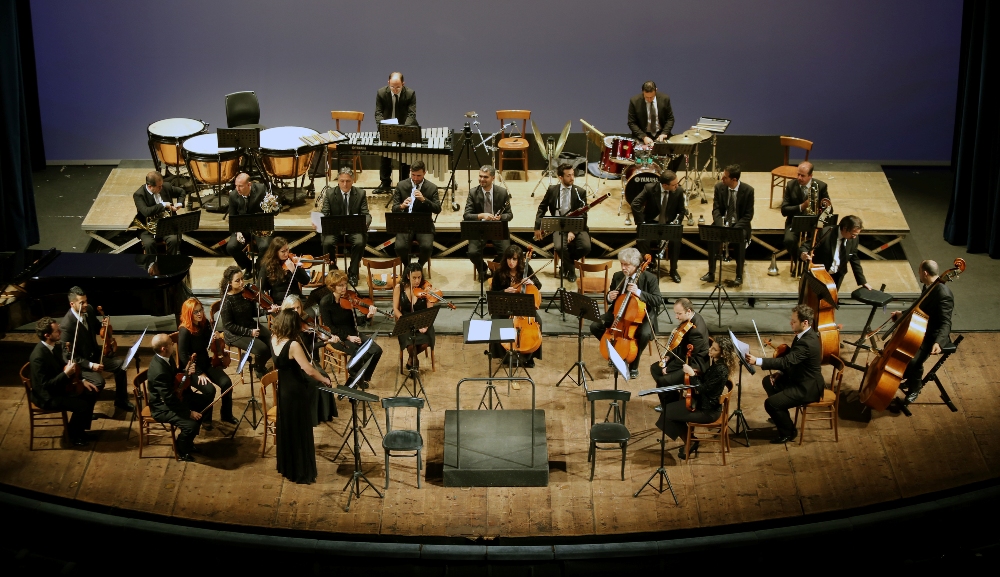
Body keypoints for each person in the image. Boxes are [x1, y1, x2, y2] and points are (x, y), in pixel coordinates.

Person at [745, 304, 824, 444]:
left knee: (771, 404)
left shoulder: (807, 342)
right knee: (767, 381)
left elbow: (786, 361)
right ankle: (781, 417)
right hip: (797, 378)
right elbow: (793, 361)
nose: (790, 323)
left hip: (807, 387)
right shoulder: (801, 336)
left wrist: (757, 360)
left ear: (805, 323)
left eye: (794, 321)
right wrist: (780, 373)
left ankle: (788, 432)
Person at [271, 309, 333, 484]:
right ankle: (301, 471)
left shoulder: (274, 337)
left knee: (289, 428)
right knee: (300, 431)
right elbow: (308, 370)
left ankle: (287, 466)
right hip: (296, 391)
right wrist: (325, 380)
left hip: (283, 389)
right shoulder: (293, 345)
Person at [657, 336, 738, 460]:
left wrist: (692, 374)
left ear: (722, 354)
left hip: (708, 411)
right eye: (711, 347)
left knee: (667, 415)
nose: (710, 350)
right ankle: (689, 441)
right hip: (703, 403)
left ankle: (690, 442)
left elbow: (703, 389)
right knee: (667, 411)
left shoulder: (721, 370)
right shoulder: (717, 363)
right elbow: (705, 382)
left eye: (714, 349)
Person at [590, 248, 662, 379]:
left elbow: (657, 300)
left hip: (642, 315)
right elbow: (612, 297)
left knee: (644, 334)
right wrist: (609, 297)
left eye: (626, 265)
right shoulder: (618, 276)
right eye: (622, 264)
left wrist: (639, 292)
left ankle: (634, 364)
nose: (623, 268)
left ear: (635, 265)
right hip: (619, 313)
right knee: (595, 326)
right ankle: (615, 352)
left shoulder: (649, 278)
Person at [59, 286, 133, 411]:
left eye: (86, 301)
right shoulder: (67, 326)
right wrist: (91, 365)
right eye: (81, 302)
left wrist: (103, 326)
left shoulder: (89, 310)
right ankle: (85, 410)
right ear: (72, 304)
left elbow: (95, 326)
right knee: (99, 381)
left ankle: (121, 400)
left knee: (120, 366)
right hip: (82, 365)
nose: (86, 305)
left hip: (95, 354)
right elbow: (68, 356)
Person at [29, 317, 99, 447]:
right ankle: (72, 436)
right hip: (47, 397)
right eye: (57, 331)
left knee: (91, 392)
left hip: (58, 387)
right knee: (82, 405)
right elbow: (46, 385)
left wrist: (81, 380)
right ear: (47, 335)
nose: (60, 332)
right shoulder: (38, 357)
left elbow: (62, 365)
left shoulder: (53, 347)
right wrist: (66, 374)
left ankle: (80, 431)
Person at [147, 333, 216, 461]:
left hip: (175, 397)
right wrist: (189, 413)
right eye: (170, 343)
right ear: (164, 348)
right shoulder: (159, 371)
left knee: (204, 402)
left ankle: (188, 443)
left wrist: (186, 372)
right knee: (191, 425)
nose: (173, 345)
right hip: (162, 407)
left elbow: (174, 376)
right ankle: (181, 450)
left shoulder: (167, 358)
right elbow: (169, 399)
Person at [895, 260, 954, 402]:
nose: (918, 274)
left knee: (914, 361)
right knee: (898, 351)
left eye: (919, 271)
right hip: (920, 328)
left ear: (925, 273)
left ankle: (915, 389)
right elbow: (920, 308)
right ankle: (909, 378)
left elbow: (946, 322)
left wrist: (938, 342)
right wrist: (902, 314)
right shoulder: (928, 286)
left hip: (932, 335)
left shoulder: (943, 294)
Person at [177, 297, 236, 428]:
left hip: (206, 363)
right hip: (191, 370)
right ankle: (205, 418)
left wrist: (215, 337)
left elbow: (208, 345)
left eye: (201, 310)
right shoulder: (184, 330)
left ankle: (226, 414)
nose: (199, 314)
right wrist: (199, 373)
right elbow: (182, 355)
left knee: (227, 383)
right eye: (195, 312)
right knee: (210, 390)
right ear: (189, 313)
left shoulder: (204, 324)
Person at [318, 270, 384, 386]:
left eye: (345, 284)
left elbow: (354, 321)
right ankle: (354, 373)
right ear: (332, 287)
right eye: (340, 285)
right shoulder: (326, 303)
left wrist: (367, 317)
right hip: (337, 337)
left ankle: (363, 377)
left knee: (376, 350)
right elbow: (330, 328)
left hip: (352, 332)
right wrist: (348, 337)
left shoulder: (349, 298)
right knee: (358, 351)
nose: (344, 288)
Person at [282, 294, 339, 423]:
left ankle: (324, 414)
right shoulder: (286, 328)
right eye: (293, 309)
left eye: (298, 308)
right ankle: (312, 417)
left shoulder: (305, 323)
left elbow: (310, 346)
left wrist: (325, 339)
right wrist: (324, 343)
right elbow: (304, 349)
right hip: (296, 363)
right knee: (317, 380)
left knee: (325, 376)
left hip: (307, 358)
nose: (296, 311)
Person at [533, 163, 592, 282]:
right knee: (559, 247)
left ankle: (565, 265)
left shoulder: (580, 192)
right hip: (558, 225)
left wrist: (572, 231)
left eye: (573, 175)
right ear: (560, 177)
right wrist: (537, 226)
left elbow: (583, 214)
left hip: (577, 225)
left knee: (586, 247)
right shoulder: (552, 190)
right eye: (568, 176)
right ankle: (570, 269)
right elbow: (542, 208)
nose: (572, 178)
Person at [490, 245, 543, 367]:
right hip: (505, 305)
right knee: (496, 320)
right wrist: (504, 292)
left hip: (524, 306)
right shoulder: (499, 272)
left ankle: (528, 356)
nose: (511, 262)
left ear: (519, 260)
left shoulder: (526, 268)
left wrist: (532, 282)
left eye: (514, 259)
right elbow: (493, 293)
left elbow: (538, 285)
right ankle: (503, 355)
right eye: (509, 259)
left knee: (538, 322)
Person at [318, 167, 371, 286]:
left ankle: (353, 272)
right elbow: (324, 213)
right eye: (342, 181)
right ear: (338, 181)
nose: (345, 184)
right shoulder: (330, 193)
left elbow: (366, 214)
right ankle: (333, 271)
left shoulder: (360, 193)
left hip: (353, 228)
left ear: (353, 181)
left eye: (347, 181)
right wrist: (318, 221)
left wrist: (365, 223)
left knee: (359, 242)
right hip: (335, 228)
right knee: (327, 243)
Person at [703, 164, 754, 286]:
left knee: (740, 239)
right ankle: (711, 273)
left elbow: (748, 215)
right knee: (711, 236)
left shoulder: (748, 191)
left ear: (734, 179)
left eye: (725, 177)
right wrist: (721, 225)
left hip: (739, 225)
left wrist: (734, 228)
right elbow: (716, 210)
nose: (722, 179)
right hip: (723, 223)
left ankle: (739, 275)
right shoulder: (719, 187)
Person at [631, 169, 685, 283]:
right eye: (674, 184)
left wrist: (677, 222)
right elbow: (635, 204)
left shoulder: (679, 191)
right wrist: (641, 223)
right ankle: (648, 264)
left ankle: (673, 270)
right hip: (651, 222)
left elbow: (681, 211)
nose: (677, 186)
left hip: (669, 224)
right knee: (642, 239)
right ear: (665, 185)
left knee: (676, 241)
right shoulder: (650, 188)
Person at [218, 265, 272, 380]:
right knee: (262, 349)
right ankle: (258, 367)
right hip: (235, 334)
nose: (242, 282)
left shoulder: (246, 293)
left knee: (273, 341)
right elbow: (229, 325)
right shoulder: (227, 302)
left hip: (250, 325)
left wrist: (268, 311)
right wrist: (249, 332)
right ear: (229, 283)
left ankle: (259, 365)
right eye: (237, 281)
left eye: (242, 279)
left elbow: (253, 312)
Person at [650, 298, 711, 394]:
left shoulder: (696, 331)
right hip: (682, 356)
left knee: (663, 381)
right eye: (675, 313)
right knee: (655, 368)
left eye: (679, 313)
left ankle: (670, 404)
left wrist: (669, 369)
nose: (676, 317)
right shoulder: (689, 319)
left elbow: (687, 356)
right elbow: (678, 343)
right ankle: (671, 398)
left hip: (694, 364)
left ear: (688, 311)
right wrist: (668, 357)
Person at [464, 165, 513, 279]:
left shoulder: (502, 192)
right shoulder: (473, 193)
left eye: (485, 177)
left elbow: (510, 215)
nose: (482, 179)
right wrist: (482, 215)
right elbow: (467, 215)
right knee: (472, 252)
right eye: (480, 176)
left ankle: (494, 266)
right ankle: (483, 268)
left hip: (497, 227)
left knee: (507, 252)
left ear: (493, 178)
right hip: (479, 227)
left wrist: (500, 217)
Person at [798, 215, 871, 291]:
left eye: (856, 235)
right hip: (820, 274)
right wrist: (804, 254)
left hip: (838, 275)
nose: (854, 237)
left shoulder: (854, 239)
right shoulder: (826, 232)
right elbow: (805, 247)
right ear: (844, 229)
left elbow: (854, 258)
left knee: (831, 300)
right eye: (853, 234)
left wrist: (863, 282)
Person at [391, 160, 441, 268]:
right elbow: (394, 209)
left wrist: (424, 200)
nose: (415, 178)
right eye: (413, 175)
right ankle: (408, 267)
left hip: (424, 224)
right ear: (410, 171)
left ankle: (418, 267)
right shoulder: (401, 185)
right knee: (399, 247)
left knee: (427, 247)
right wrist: (402, 206)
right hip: (405, 223)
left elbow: (437, 209)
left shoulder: (432, 188)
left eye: (419, 175)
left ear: (425, 173)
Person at [375, 71, 417, 190]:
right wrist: (381, 127)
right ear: (388, 83)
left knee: (404, 156)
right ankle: (385, 183)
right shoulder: (381, 93)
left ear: (403, 84)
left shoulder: (410, 94)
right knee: (385, 155)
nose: (395, 89)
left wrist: (403, 129)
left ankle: (404, 184)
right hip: (388, 127)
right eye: (392, 86)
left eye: (398, 87)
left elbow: (411, 114)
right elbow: (378, 113)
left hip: (405, 128)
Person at [226, 173, 272, 276]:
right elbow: (232, 217)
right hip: (242, 228)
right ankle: (248, 266)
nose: (237, 189)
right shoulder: (233, 195)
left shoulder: (262, 189)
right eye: (236, 185)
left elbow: (275, 209)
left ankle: (258, 267)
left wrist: (274, 205)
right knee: (231, 247)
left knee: (265, 246)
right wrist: (237, 232)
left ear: (249, 184)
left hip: (260, 226)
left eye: (240, 186)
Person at [781, 162, 830, 258]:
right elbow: (784, 210)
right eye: (798, 174)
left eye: (802, 175)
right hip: (795, 222)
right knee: (788, 240)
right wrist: (802, 206)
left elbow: (828, 210)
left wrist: (823, 208)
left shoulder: (821, 186)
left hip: (814, 223)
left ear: (810, 176)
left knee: (823, 239)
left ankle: (811, 263)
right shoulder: (791, 185)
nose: (799, 178)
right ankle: (799, 261)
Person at [391, 263, 436, 369]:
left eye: (419, 277)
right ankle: (414, 360)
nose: (417, 281)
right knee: (410, 345)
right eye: (414, 278)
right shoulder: (399, 288)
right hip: (406, 321)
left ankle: (411, 360)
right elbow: (396, 309)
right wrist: (403, 320)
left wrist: (425, 325)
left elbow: (430, 311)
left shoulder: (425, 288)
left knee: (424, 344)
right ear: (408, 276)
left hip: (422, 322)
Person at [132, 171, 182, 255]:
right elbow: (146, 212)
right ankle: (152, 264)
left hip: (166, 224)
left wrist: (179, 203)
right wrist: (163, 205)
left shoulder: (165, 186)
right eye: (159, 187)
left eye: (161, 185)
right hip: (147, 227)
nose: (161, 188)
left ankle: (170, 262)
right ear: (150, 186)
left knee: (174, 240)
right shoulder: (139, 194)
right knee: (149, 244)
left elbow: (181, 192)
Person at [258, 236, 311, 307]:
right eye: (283, 251)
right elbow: (259, 288)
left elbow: (306, 281)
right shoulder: (267, 265)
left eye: (287, 250)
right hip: (280, 302)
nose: (286, 254)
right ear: (275, 252)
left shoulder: (293, 261)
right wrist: (269, 304)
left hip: (297, 299)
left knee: (311, 314)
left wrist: (294, 270)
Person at [627, 81, 674, 145]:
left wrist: (664, 133)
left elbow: (670, 119)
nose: (649, 100)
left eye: (651, 97)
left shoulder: (665, 99)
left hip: (660, 134)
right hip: (643, 135)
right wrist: (643, 137)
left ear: (656, 90)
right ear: (642, 91)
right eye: (646, 97)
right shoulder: (634, 101)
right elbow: (631, 122)